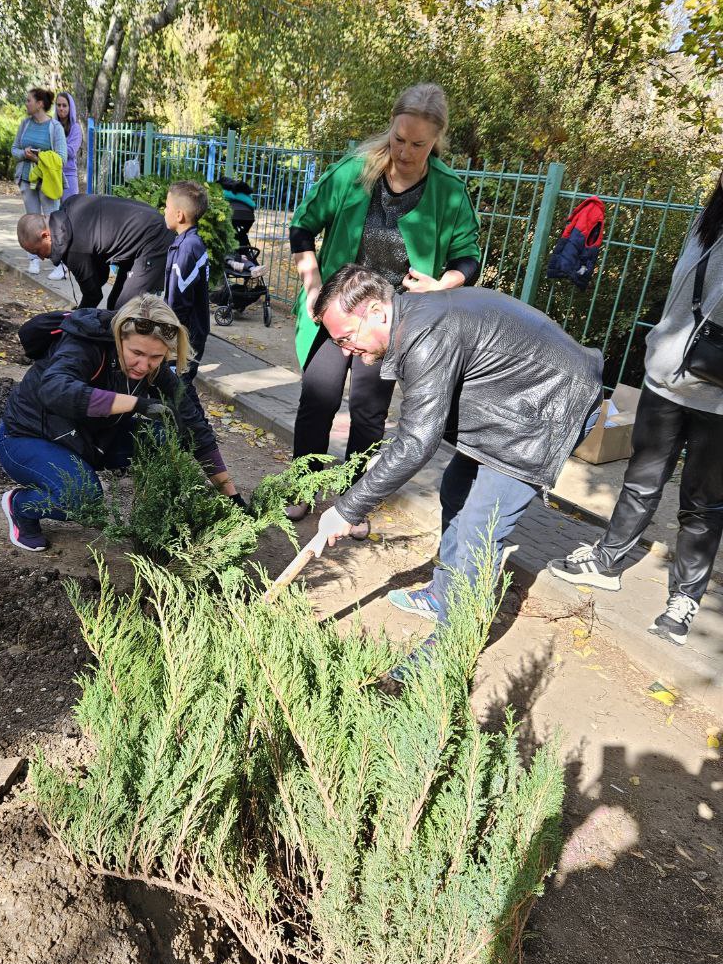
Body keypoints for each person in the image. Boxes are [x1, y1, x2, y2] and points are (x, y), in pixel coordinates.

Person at [310, 264, 603, 635]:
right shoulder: (413, 319)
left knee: (479, 528)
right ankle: (444, 595)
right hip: (515, 402)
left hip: (548, 408)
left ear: (375, 312)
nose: (347, 351)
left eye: (345, 338)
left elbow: (418, 440)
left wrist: (348, 509)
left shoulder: (426, 332)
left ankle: (452, 646)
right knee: (456, 488)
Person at [286, 82, 481, 533]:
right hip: (335, 310)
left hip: (390, 323)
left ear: (437, 141)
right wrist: (312, 282)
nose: (406, 152)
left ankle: (353, 501)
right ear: (390, 128)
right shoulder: (356, 172)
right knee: (318, 398)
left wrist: (442, 284)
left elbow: (468, 256)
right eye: (399, 139)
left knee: (369, 412)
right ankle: (301, 488)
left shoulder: (448, 192)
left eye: (419, 144)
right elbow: (303, 225)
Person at [549, 175, 723, 646]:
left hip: (720, 402)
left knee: (703, 505)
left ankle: (684, 599)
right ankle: (607, 561)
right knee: (642, 481)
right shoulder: (706, 226)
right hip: (664, 381)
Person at [0, 294, 243, 551]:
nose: (144, 365)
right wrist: (136, 404)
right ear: (118, 337)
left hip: (90, 439)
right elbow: (56, 390)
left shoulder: (153, 366)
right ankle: (20, 506)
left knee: (168, 435)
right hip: (28, 437)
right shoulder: (84, 345)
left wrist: (231, 496)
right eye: (136, 353)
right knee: (82, 499)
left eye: (156, 357)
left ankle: (154, 516)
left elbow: (195, 427)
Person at [17, 194, 173, 310]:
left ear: (46, 235)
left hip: (154, 238)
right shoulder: (69, 206)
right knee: (114, 305)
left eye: (37, 251)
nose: (41, 258)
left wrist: (75, 318)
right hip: (144, 227)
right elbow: (101, 276)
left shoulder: (75, 250)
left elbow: (93, 295)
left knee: (124, 309)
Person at [11, 87, 68, 278]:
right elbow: (14, 149)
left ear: (39, 104)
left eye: (29, 100)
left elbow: (62, 158)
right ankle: (33, 259)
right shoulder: (25, 124)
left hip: (47, 182)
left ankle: (60, 265)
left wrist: (39, 159)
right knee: (31, 221)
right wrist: (24, 154)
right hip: (27, 179)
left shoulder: (55, 128)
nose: (26, 104)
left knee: (53, 222)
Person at [163, 180, 210, 403]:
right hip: (187, 333)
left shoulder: (187, 248)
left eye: (167, 206)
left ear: (179, 215)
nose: (164, 211)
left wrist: (168, 335)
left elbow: (179, 301)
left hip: (185, 336)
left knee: (178, 390)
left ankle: (192, 433)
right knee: (180, 388)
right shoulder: (188, 243)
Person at [55, 91, 83, 199]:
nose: (61, 108)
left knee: (69, 212)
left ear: (70, 107)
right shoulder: (52, 126)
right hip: (52, 175)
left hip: (69, 176)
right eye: (58, 105)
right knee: (52, 214)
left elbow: (70, 152)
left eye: (64, 105)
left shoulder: (75, 128)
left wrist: (53, 146)